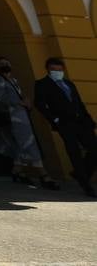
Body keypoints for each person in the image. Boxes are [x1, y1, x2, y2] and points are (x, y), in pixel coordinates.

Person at [33, 56, 97, 197]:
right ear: (48, 70)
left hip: (81, 122)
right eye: (54, 69)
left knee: (94, 149)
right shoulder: (42, 84)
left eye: (60, 69)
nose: (57, 72)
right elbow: (40, 104)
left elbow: (79, 103)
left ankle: (80, 174)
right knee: (74, 153)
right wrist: (54, 120)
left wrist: (89, 120)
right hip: (64, 123)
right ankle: (86, 185)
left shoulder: (69, 84)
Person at [0, 56, 57, 190]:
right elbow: (1, 98)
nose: (5, 65)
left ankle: (17, 171)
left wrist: (26, 102)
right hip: (13, 116)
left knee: (22, 144)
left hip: (22, 115)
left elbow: (18, 95)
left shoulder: (14, 80)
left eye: (7, 63)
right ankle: (43, 174)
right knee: (28, 143)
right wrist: (18, 102)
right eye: (2, 64)